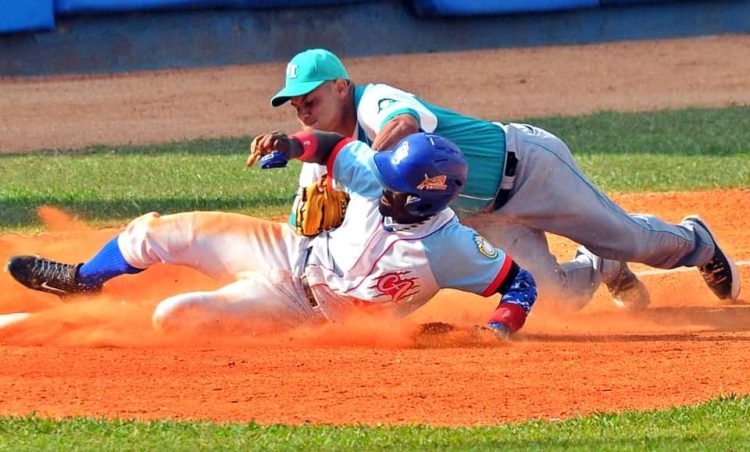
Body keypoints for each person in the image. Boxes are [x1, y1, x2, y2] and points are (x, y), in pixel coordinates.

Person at [265, 48, 740, 311]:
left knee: (630, 239)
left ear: (342, 86)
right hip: (483, 216)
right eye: (295, 102)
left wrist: (377, 166)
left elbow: (407, 124)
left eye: (310, 95)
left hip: (528, 169)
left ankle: (697, 243)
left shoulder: (375, 101)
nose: (302, 106)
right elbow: (309, 219)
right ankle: (601, 264)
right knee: (554, 298)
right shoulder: (325, 150)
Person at [6, 132, 537, 337]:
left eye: (395, 187)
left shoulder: (453, 248)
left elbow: (520, 286)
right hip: (287, 248)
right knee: (155, 232)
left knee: (175, 316)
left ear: (427, 195)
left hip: (298, 307)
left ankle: (102, 323)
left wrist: (496, 330)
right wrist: (290, 144)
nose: (381, 187)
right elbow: (331, 145)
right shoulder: (380, 176)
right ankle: (83, 280)